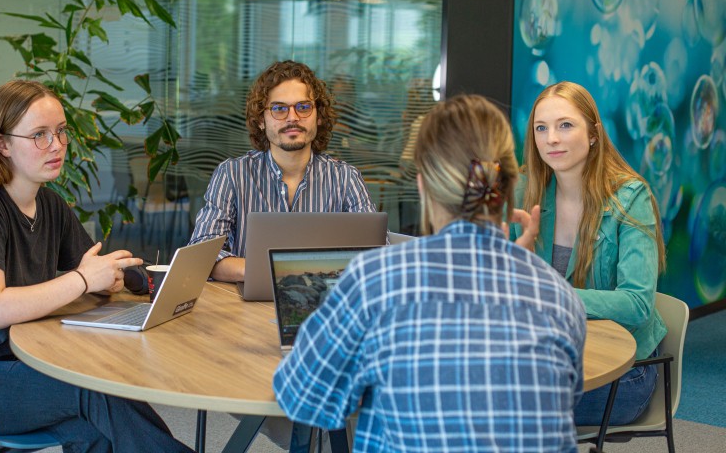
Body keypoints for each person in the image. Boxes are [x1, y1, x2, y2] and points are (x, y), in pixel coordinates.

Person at [274, 94, 587, 452]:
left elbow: (302, 398)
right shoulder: (559, 296)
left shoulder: (374, 281)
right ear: (505, 187)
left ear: (423, 186)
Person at [0, 80, 193, 453]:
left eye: (61, 132)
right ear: (2, 144)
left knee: (95, 429)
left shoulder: (49, 204)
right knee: (93, 388)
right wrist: (84, 279)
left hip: (24, 361)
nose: (57, 145)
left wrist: (111, 277)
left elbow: (94, 271)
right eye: (39, 135)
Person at [511, 81, 668, 426]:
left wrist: (550, 296)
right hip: (546, 355)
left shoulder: (631, 197)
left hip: (624, 373)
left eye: (565, 125)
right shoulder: (524, 190)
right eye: (541, 127)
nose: (551, 138)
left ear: (594, 133)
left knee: (504, 406)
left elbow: (638, 305)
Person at [189, 60, 377, 282]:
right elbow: (201, 257)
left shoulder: (345, 178)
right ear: (261, 120)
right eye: (279, 109)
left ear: (318, 116)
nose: (293, 118)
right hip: (244, 310)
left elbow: (376, 254)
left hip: (324, 306)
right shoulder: (232, 174)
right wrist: (277, 274)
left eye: (303, 107)